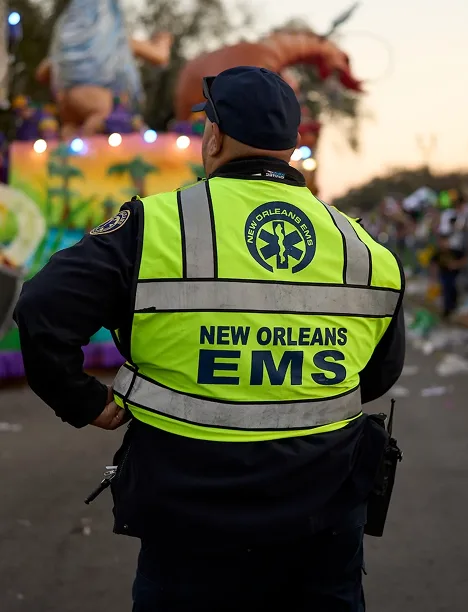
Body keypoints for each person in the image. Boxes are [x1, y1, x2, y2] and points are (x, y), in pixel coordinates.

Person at [14, 66, 405, 611]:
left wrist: (84, 401)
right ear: (292, 146)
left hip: (188, 514)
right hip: (325, 512)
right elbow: (378, 375)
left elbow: (39, 311)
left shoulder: (152, 225)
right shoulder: (367, 250)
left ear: (214, 135)